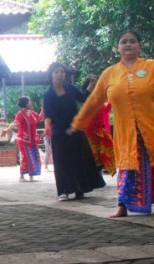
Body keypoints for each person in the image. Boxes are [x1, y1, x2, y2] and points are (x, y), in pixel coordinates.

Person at [72, 30, 154, 217]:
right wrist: (78, 123)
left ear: (139, 46)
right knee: (127, 167)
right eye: (124, 42)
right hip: (127, 131)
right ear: (117, 48)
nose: (128, 45)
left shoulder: (152, 66)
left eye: (133, 41)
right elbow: (94, 101)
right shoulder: (109, 74)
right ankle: (123, 206)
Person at [42, 63, 106, 201]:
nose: (60, 74)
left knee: (79, 160)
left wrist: (92, 84)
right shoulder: (48, 95)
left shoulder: (70, 88)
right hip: (60, 132)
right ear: (51, 75)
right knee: (61, 162)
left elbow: (83, 98)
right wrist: (47, 127)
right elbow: (48, 115)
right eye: (57, 72)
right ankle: (63, 191)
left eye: (62, 72)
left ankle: (80, 189)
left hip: (76, 129)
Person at [4, 97, 42, 182]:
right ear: (25, 103)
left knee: (33, 156)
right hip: (23, 140)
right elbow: (15, 123)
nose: (30, 103)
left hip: (32, 139)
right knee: (26, 156)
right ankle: (21, 176)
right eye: (29, 102)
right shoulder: (20, 114)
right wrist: (7, 129)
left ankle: (31, 176)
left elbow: (39, 119)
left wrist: (43, 109)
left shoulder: (31, 112)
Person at [86, 103, 117, 176]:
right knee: (96, 153)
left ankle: (98, 171)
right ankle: (96, 172)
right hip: (93, 132)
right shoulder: (90, 103)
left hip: (99, 131)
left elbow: (105, 111)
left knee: (99, 153)